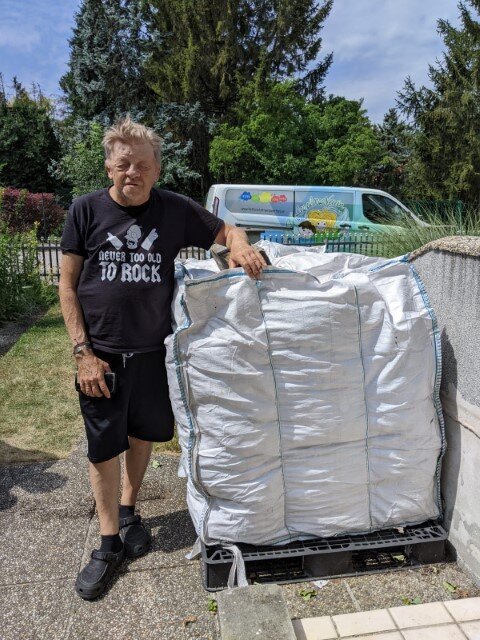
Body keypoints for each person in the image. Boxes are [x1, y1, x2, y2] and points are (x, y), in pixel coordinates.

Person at [59, 116, 267, 600]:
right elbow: (67, 285)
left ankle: (129, 510)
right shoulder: (85, 210)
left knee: (142, 434)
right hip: (101, 357)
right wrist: (83, 352)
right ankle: (108, 543)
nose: (132, 172)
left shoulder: (173, 210)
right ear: (109, 167)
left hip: (155, 353)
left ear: (156, 170)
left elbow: (226, 229)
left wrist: (240, 246)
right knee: (103, 446)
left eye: (142, 165)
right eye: (123, 164)